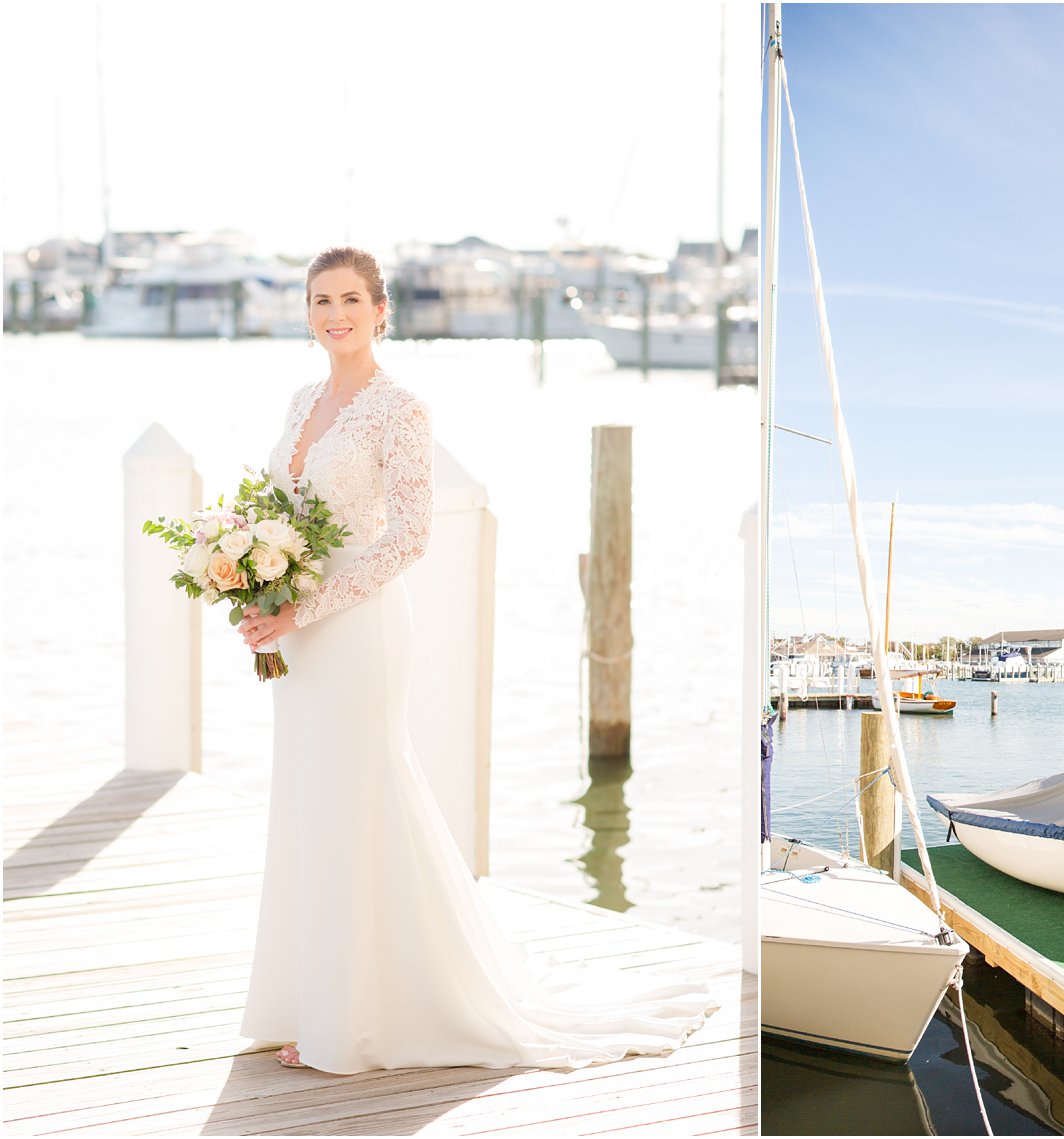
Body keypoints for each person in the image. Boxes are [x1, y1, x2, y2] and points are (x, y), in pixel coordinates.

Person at [235, 246, 713, 1074]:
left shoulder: (401, 409)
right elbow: (276, 511)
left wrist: (304, 604)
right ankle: (310, 999)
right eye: (320, 300)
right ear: (306, 311)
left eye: (350, 298)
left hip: (358, 629)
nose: (334, 313)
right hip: (299, 635)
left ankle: (356, 1017)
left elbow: (411, 536)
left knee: (363, 795)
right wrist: (251, 575)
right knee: (312, 800)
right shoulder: (300, 400)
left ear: (381, 310)